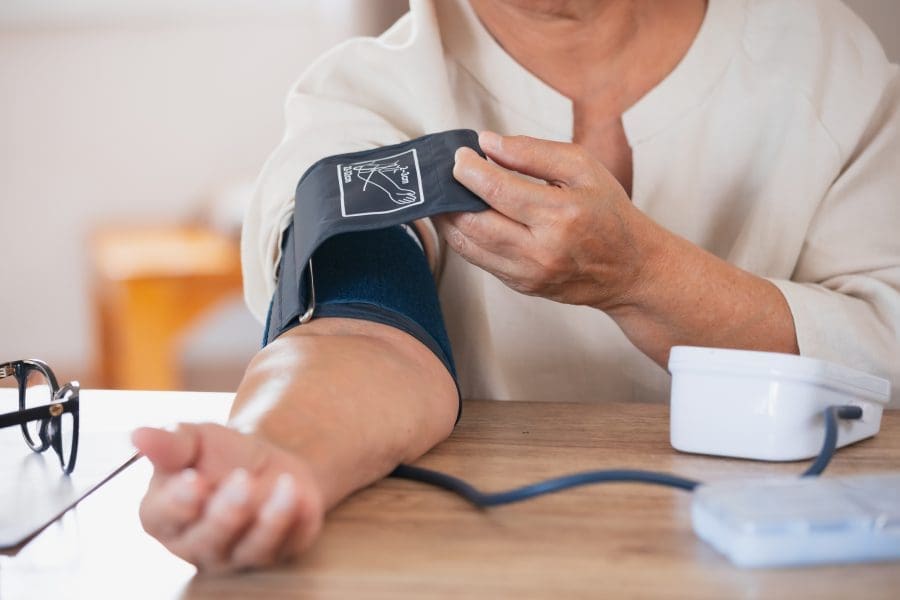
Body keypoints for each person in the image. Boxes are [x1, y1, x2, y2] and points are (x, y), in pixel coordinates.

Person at [132, 0, 900, 573]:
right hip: (482, 565)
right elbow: (358, 330)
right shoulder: (365, 100)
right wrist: (275, 454)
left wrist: (644, 275)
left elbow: (884, 339)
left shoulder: (830, 65)